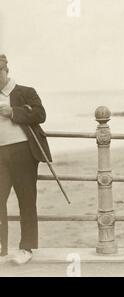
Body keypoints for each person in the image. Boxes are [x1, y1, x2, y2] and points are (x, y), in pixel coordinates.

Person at [0, 54, 52, 265]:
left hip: (23, 151)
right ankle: (2, 246)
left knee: (26, 200)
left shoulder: (24, 91)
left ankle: (26, 247)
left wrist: (14, 112)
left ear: (5, 71)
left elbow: (40, 114)